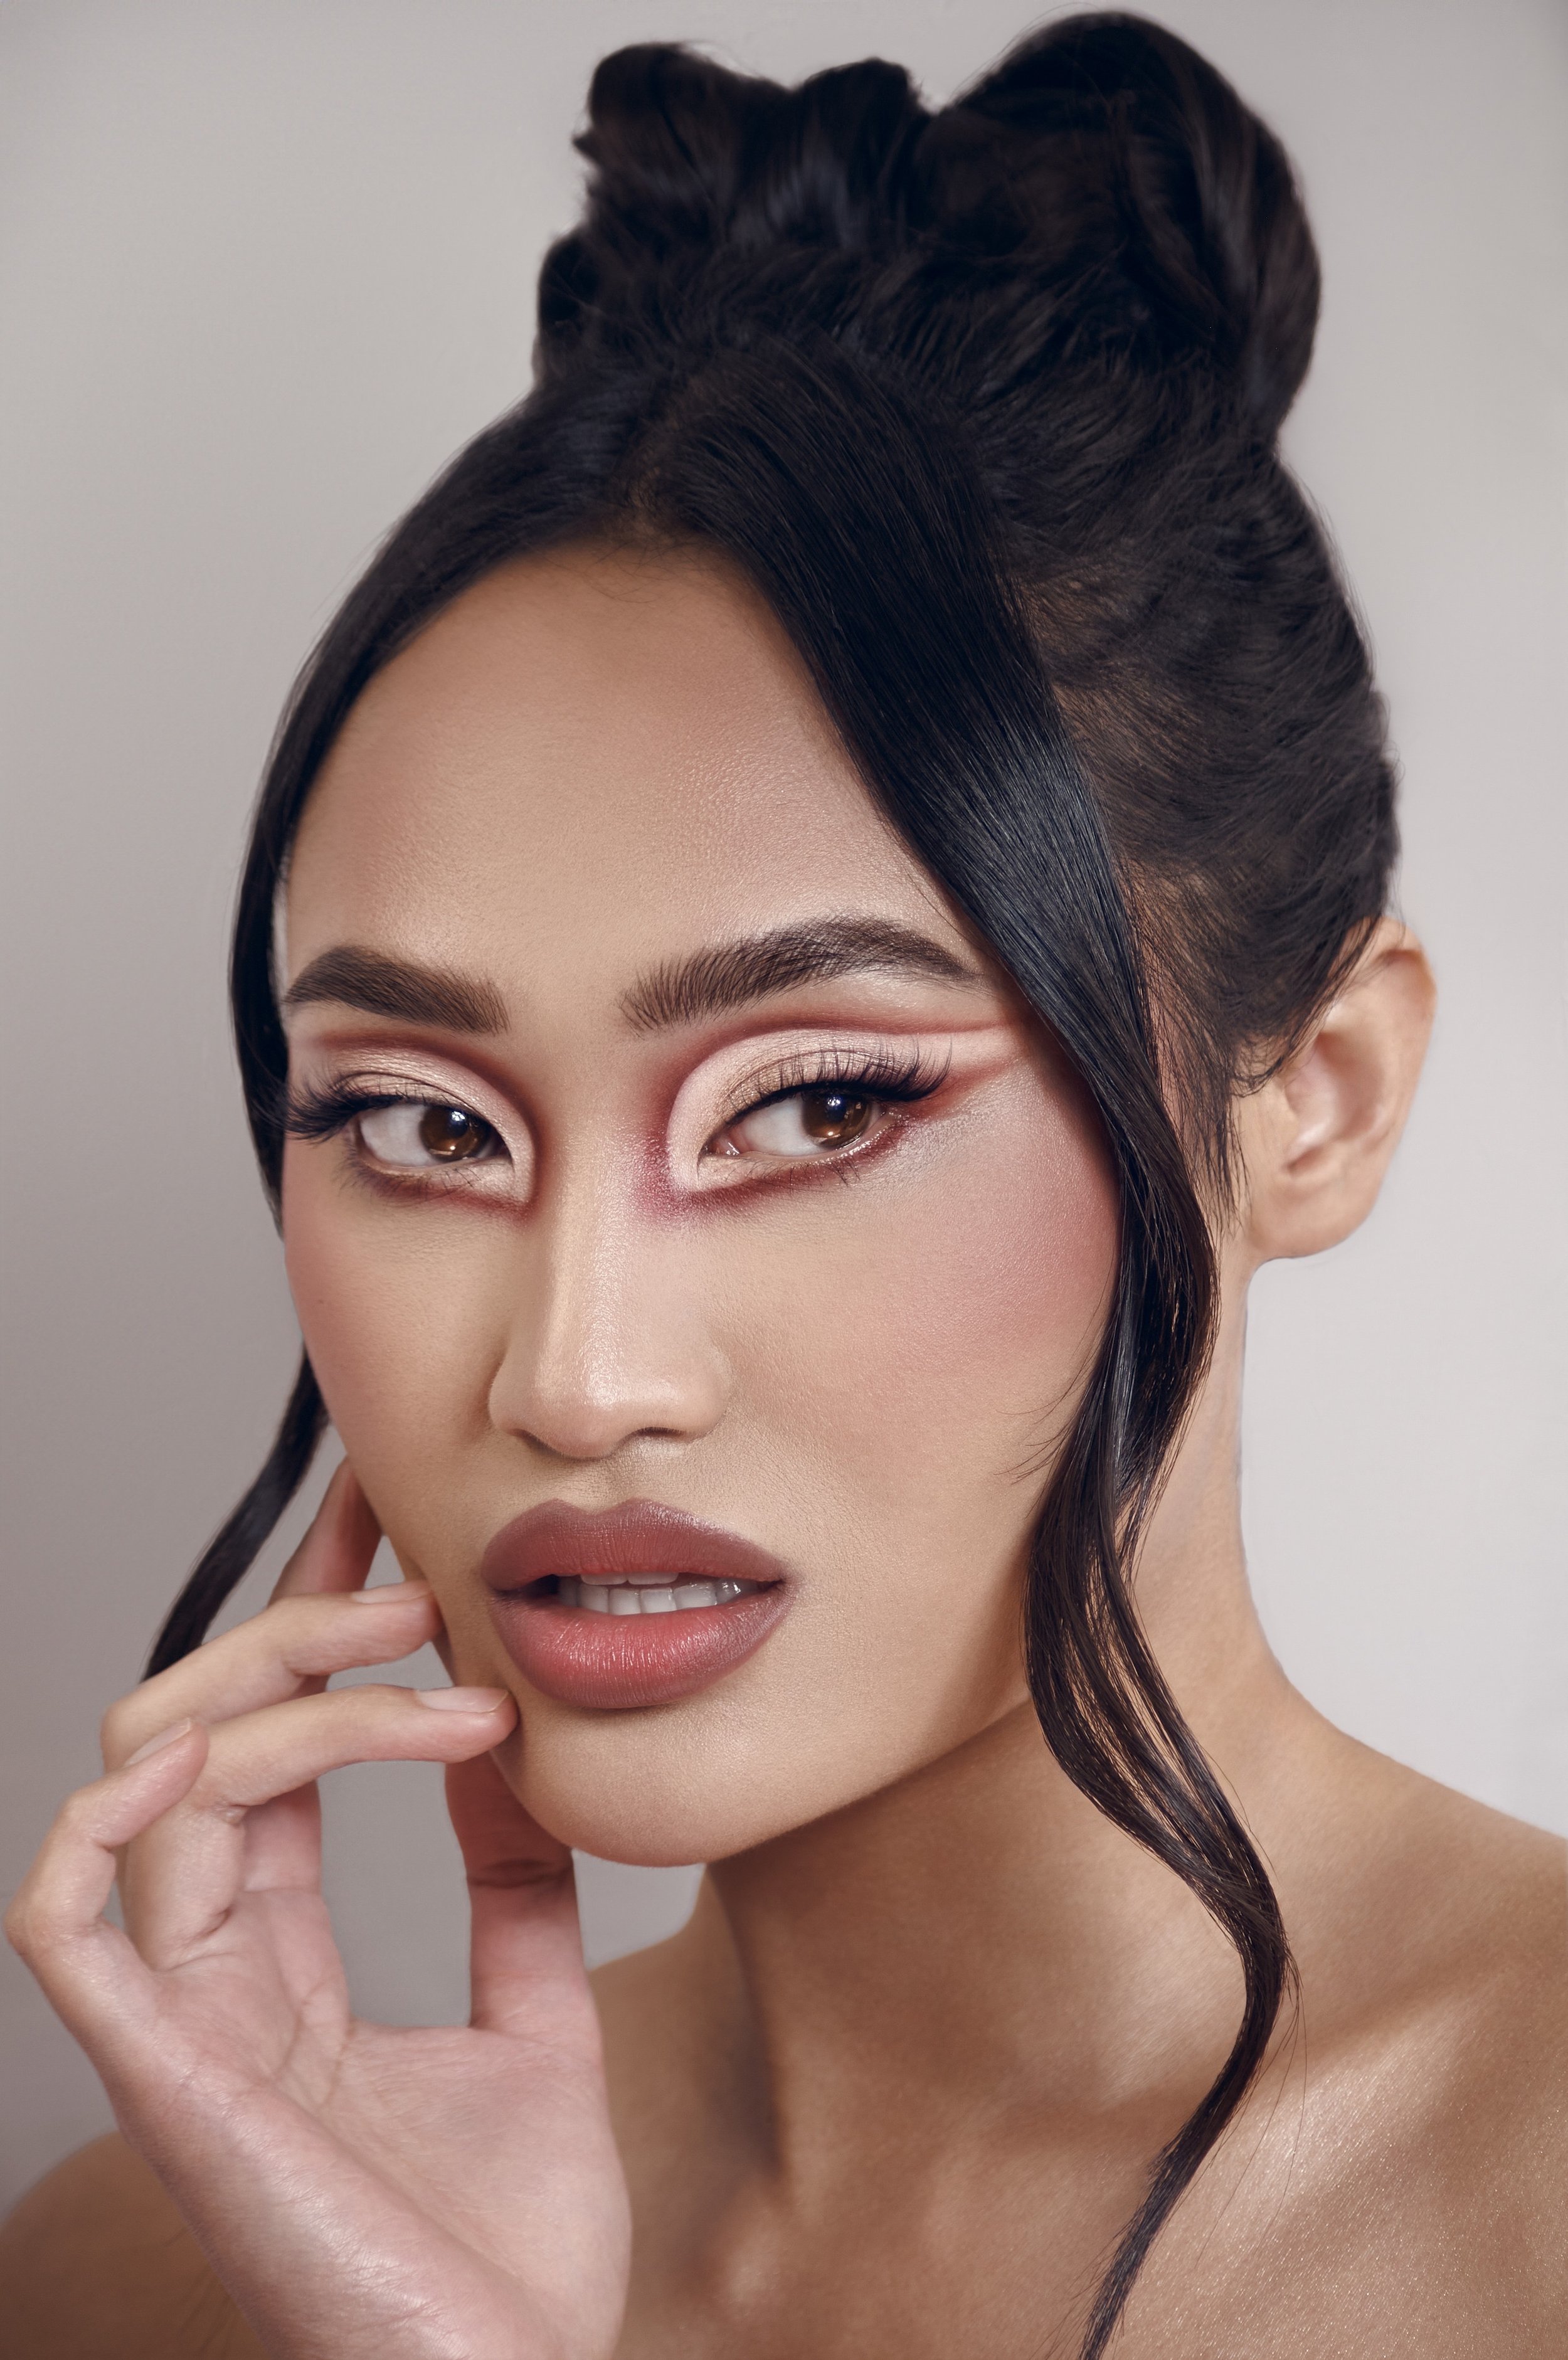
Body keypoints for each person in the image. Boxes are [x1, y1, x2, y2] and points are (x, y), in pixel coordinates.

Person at [3, 14, 1564, 2357]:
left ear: (1312, 1094)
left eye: (821, 1100)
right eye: (423, 1121)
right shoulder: (158, 2274)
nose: (571, 1370)